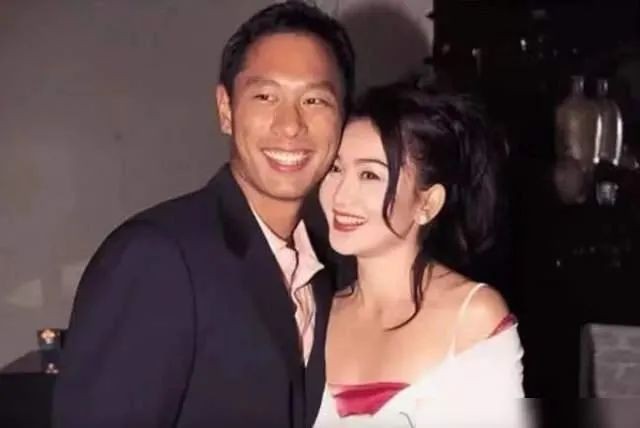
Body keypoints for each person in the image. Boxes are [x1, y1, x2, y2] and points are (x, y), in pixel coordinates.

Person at [52, 2, 354, 427]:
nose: (290, 125)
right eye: (266, 96)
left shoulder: (327, 274)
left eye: (314, 99)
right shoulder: (157, 257)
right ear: (226, 109)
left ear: (343, 118)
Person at [314, 80, 527, 427]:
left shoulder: (472, 317)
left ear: (427, 203)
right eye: (336, 169)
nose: (340, 195)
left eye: (369, 175)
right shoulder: (317, 316)